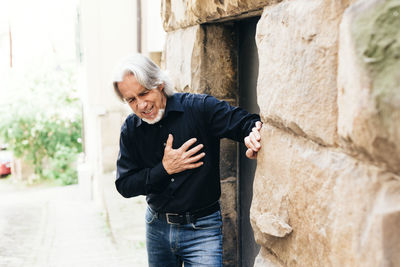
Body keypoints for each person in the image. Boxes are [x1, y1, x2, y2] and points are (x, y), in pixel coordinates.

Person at [113, 54, 262, 267]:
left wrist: (252, 135)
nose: (141, 105)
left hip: (203, 230)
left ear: (159, 84)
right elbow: (124, 185)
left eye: (144, 93)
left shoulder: (198, 108)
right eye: (131, 100)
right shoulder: (131, 129)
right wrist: (164, 169)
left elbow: (245, 122)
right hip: (157, 227)